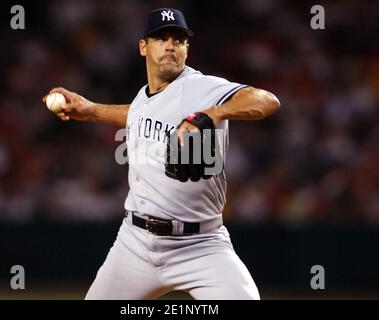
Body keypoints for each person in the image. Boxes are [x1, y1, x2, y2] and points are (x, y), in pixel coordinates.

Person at [43, 8, 280, 300]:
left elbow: (267, 101)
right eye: (161, 38)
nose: (170, 45)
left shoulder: (201, 87)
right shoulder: (144, 96)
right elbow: (139, 115)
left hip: (201, 244)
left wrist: (212, 114)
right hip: (136, 242)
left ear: (187, 49)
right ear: (143, 46)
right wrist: (91, 110)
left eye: (178, 40)